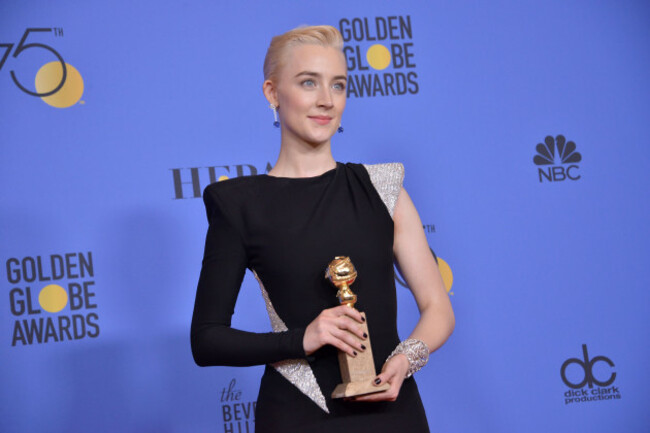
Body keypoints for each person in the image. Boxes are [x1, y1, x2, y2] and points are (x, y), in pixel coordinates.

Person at [191, 25, 455, 432]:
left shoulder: (383, 188)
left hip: (393, 412)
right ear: (272, 93)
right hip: (298, 414)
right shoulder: (239, 205)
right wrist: (303, 338)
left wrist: (406, 360)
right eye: (308, 82)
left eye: (338, 85)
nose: (326, 100)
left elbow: (438, 310)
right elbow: (206, 339)